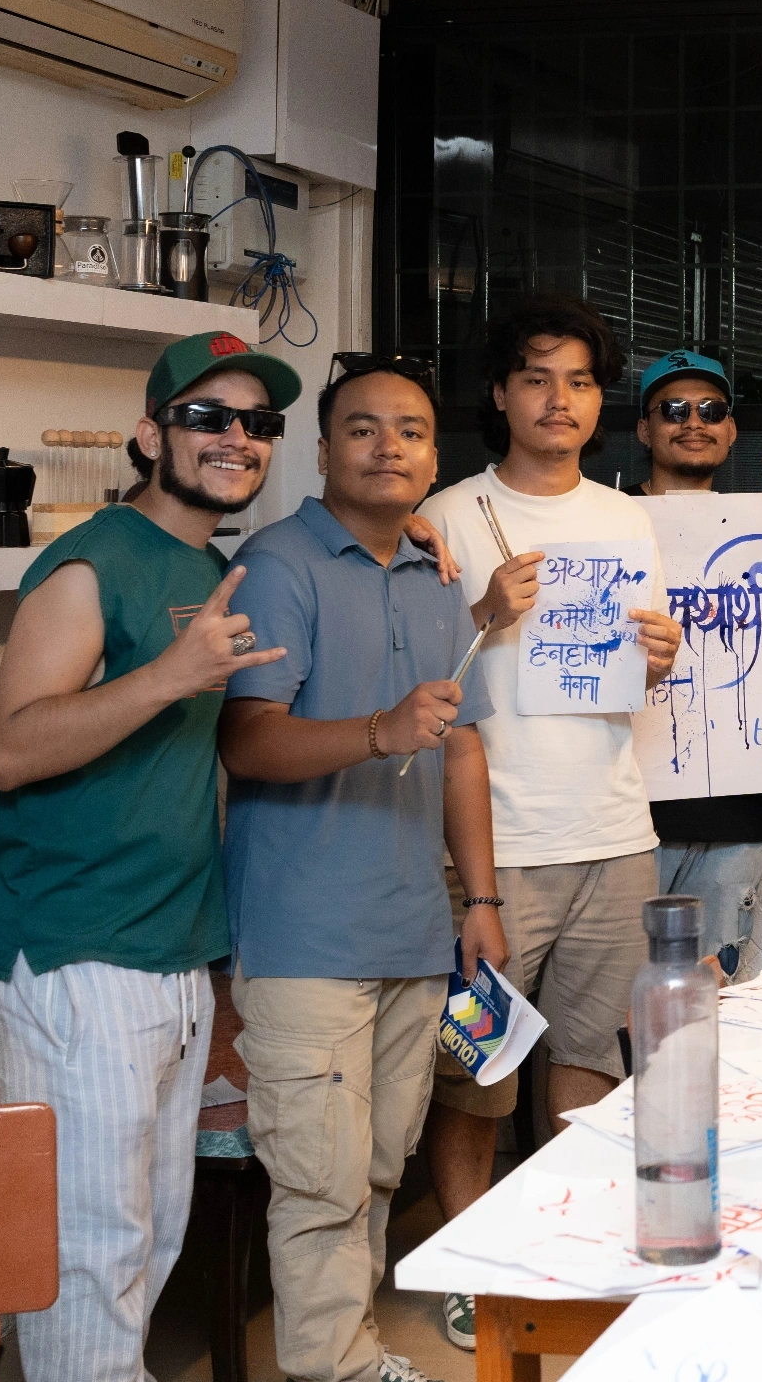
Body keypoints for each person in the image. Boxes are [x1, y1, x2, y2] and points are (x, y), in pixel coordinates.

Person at [0, 330, 298, 1381]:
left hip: (169, 951)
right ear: (151, 435)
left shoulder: (205, 567)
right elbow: (12, 748)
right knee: (92, 1255)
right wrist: (169, 675)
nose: (236, 437)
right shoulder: (92, 560)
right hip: (78, 947)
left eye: (257, 421)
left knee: (148, 1242)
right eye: (207, 416)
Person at [216, 355, 502, 1382]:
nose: (389, 447)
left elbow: (460, 748)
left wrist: (480, 899)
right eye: (363, 428)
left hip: (412, 927)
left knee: (378, 1170)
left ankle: (351, 1355)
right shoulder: (279, 564)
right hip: (306, 933)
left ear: (434, 457)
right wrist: (380, 729)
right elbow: (247, 740)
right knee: (320, 1184)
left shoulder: (436, 577)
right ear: (324, 449)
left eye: (411, 431)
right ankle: (331, 1368)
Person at [414, 291, 677, 1351]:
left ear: (599, 401)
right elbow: (412, 684)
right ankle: (469, 1266)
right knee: (474, 1072)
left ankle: (564, 1251)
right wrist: (484, 614)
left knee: (589, 1064)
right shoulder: (444, 514)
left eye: (578, 381)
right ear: (499, 393)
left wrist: (659, 660)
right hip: (495, 847)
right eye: (536, 378)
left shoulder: (627, 520)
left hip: (614, 834)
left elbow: (632, 682)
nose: (558, 399)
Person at [631, 347, 762, 979]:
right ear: (644, 429)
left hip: (733, 808)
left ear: (731, 429)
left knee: (707, 994)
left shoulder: (760, 533)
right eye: (674, 409)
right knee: (614, 1002)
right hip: (625, 816)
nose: (694, 422)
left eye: (711, 410)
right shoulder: (610, 521)